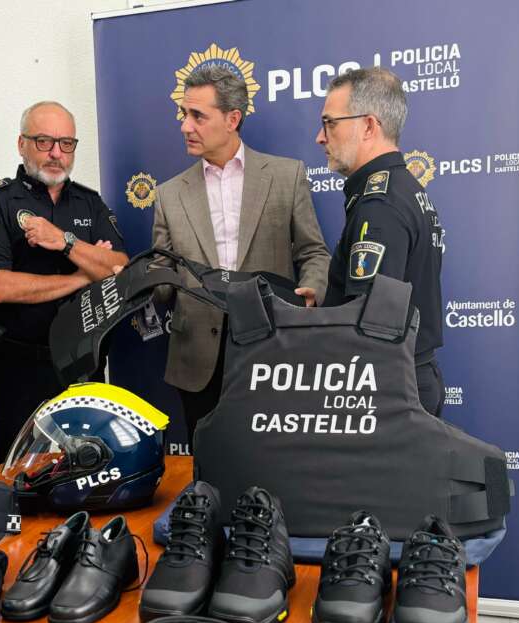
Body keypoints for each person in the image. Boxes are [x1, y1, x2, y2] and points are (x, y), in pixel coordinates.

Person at [152, 65, 330, 445]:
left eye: (197, 115)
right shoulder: (169, 194)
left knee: (273, 461)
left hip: (272, 349)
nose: (185, 126)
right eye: (184, 114)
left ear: (232, 119)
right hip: (198, 361)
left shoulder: (286, 176)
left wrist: (312, 291)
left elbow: (314, 251)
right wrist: (140, 280)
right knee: (209, 463)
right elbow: (162, 279)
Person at [0, 101, 128, 464]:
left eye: (66, 143)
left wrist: (65, 242)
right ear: (21, 144)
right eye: (44, 141)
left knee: (90, 465)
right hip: (20, 365)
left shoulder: (89, 203)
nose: (56, 153)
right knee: (20, 469)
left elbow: (120, 266)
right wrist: (83, 274)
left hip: (83, 363)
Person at [317, 67, 446, 415]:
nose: (320, 137)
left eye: (330, 124)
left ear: (368, 126)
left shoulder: (380, 205)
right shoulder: (405, 188)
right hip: (406, 380)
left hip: (385, 390)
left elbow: (369, 325)